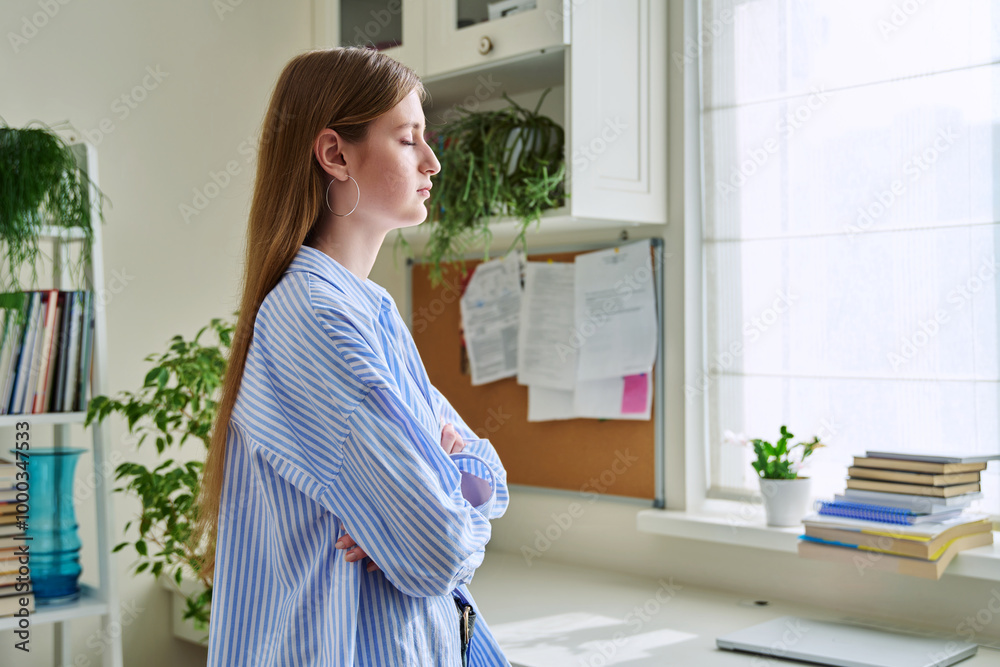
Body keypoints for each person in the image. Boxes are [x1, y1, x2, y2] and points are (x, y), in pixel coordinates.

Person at [191, 47, 511, 666]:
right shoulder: (315, 317)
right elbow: (435, 546)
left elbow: (485, 480)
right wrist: (432, 500)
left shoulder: (370, 311)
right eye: (409, 139)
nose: (433, 161)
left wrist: (440, 490)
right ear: (336, 154)